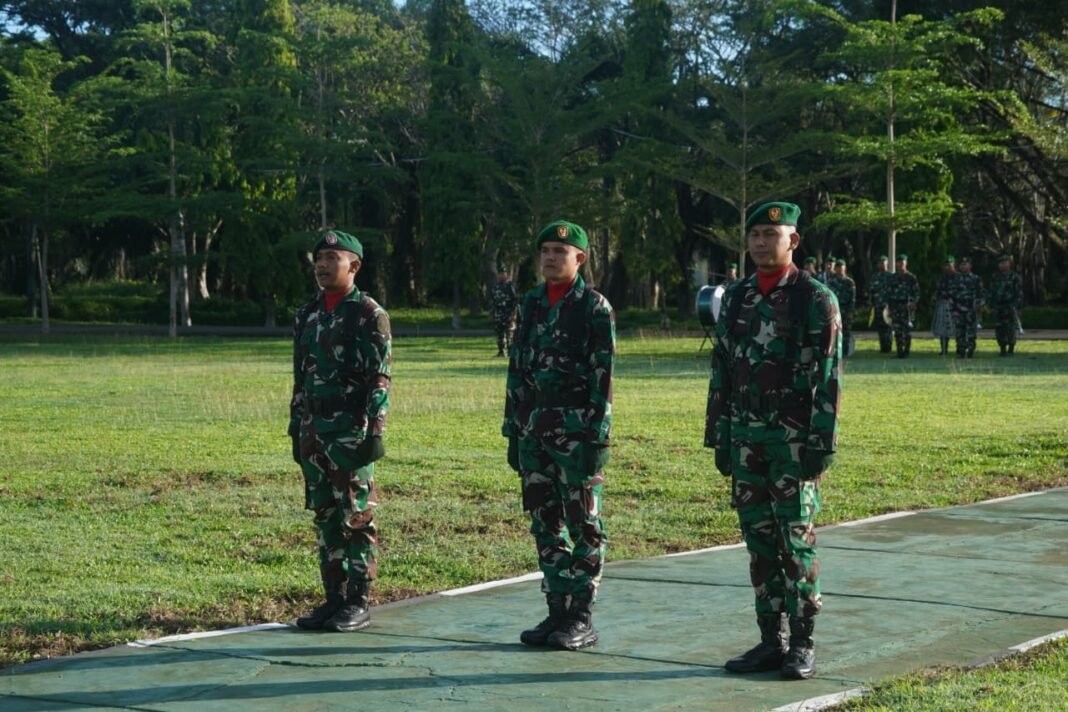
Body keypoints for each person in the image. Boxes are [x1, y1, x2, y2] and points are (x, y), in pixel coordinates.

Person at [706, 201, 842, 680]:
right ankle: (771, 641)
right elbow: (721, 368)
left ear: (793, 241)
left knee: (794, 542)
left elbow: (829, 377)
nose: (762, 242)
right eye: (755, 234)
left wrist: (821, 443)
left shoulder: (814, 298)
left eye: (771, 233)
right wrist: (718, 435)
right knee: (759, 543)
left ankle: (802, 643)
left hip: (793, 442)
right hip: (746, 439)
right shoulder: (738, 297)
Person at [503, 219, 615, 651]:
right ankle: (557, 608)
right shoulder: (530, 304)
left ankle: (581, 614)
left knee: (584, 524)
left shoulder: (594, 308)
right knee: (544, 522)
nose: (551, 258)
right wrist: (513, 430)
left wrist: (597, 439)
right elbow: (517, 371)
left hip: (576, 436)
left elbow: (602, 380)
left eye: (560, 252)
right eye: (545, 250)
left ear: (579, 259)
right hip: (534, 432)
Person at [289, 229, 392, 633]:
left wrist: (374, 432)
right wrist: (296, 425)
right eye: (320, 257)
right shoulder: (307, 314)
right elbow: (301, 376)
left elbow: (379, 377)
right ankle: (333, 598)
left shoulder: (369, 314)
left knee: (356, 516)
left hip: (351, 429)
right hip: (314, 429)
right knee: (325, 515)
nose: (323, 264)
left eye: (333, 257)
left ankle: (358, 600)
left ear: (355, 265)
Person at [987, 254, 1024, 356]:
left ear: (1009, 263)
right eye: (1001, 263)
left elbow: (1019, 293)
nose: (1003, 265)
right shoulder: (995, 277)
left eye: (1005, 263)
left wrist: (1018, 307)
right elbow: (991, 292)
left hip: (1010, 306)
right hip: (998, 307)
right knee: (999, 328)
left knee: (1010, 328)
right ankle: (1002, 348)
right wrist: (990, 306)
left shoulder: (1014, 277)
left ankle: (1011, 348)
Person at [886, 253, 920, 358]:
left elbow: (917, 292)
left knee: (907, 330)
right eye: (899, 263)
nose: (900, 265)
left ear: (906, 264)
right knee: (897, 330)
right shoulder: (892, 278)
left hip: (906, 307)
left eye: (902, 263)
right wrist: (889, 308)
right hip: (895, 307)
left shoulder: (911, 277)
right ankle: (899, 351)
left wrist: (913, 302)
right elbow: (888, 293)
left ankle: (907, 351)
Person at [950, 256, 983, 358]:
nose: (963, 266)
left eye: (966, 264)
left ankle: (970, 350)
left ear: (970, 265)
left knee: (971, 332)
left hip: (971, 309)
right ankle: (960, 351)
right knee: (959, 332)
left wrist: (979, 305)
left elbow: (981, 294)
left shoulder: (976, 279)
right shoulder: (956, 279)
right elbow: (952, 295)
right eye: (962, 264)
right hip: (959, 310)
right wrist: (953, 309)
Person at [932, 256, 957, 356]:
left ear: (953, 264)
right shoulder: (942, 278)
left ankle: (961, 348)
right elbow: (938, 291)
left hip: (955, 305)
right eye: (946, 265)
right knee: (942, 328)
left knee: (957, 328)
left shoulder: (958, 277)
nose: (947, 267)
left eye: (949, 264)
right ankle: (944, 349)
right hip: (942, 303)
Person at [491, 271, 519, 357]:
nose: (501, 275)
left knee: (510, 334)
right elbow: (493, 301)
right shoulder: (495, 287)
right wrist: (492, 313)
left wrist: (514, 314)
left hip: (509, 314)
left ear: (506, 275)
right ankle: (501, 351)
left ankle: (511, 352)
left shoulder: (510, 286)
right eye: (499, 274)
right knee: (499, 334)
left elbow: (516, 301)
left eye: (503, 273)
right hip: (498, 314)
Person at [869, 255, 893, 354]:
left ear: (887, 263)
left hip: (887, 306)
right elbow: (871, 291)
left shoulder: (891, 276)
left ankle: (888, 347)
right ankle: (883, 347)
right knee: (880, 328)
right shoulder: (875, 277)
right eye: (880, 263)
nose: (882, 264)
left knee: (888, 327)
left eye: (884, 262)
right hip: (878, 305)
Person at [832, 259, 856, 356]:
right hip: (836, 310)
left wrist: (851, 311)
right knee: (835, 331)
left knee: (846, 331)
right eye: (838, 268)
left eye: (841, 267)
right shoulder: (832, 281)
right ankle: (836, 351)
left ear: (844, 268)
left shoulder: (849, 282)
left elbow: (853, 298)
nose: (840, 270)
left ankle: (845, 351)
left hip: (846, 310)